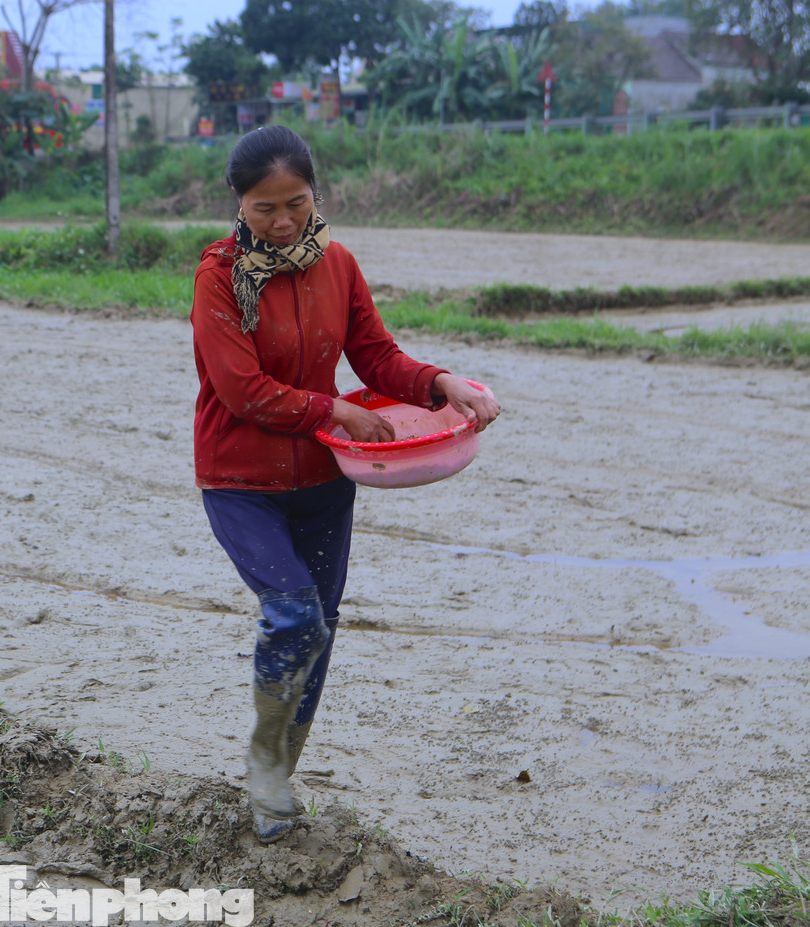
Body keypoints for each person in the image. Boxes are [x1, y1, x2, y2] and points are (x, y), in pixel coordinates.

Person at [191, 126, 500, 844]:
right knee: (294, 615)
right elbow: (242, 389)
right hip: (240, 481)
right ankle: (265, 764)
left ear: (315, 193)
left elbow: (377, 356)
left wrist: (442, 384)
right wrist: (334, 409)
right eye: (265, 208)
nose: (283, 221)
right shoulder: (219, 277)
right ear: (238, 203)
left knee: (319, 631)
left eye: (296, 203)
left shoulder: (337, 265)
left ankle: (276, 783)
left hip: (325, 481)